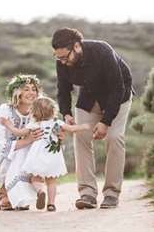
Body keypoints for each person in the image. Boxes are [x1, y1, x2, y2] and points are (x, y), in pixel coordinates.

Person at [52, 27, 133, 209]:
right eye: (59, 58)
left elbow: (117, 88)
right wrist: (66, 114)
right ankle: (87, 194)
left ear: (77, 46)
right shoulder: (62, 62)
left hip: (118, 98)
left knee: (114, 137)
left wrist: (105, 122)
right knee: (81, 138)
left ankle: (111, 194)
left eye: (65, 57)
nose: (63, 62)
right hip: (89, 99)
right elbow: (63, 90)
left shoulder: (102, 50)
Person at [0, 96, 89, 211]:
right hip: (52, 156)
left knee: (34, 178)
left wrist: (7, 124)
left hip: (38, 156)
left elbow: (18, 133)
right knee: (51, 181)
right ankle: (51, 204)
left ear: (34, 112)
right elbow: (71, 129)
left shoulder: (35, 124)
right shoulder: (57, 122)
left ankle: (40, 191)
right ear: (53, 111)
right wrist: (84, 126)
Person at [0, 74, 44, 210]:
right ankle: (5, 194)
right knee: (20, 150)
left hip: (18, 155)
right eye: (26, 89)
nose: (31, 93)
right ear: (17, 93)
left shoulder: (37, 114)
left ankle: (20, 197)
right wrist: (28, 140)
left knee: (32, 149)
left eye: (34, 89)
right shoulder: (4, 111)